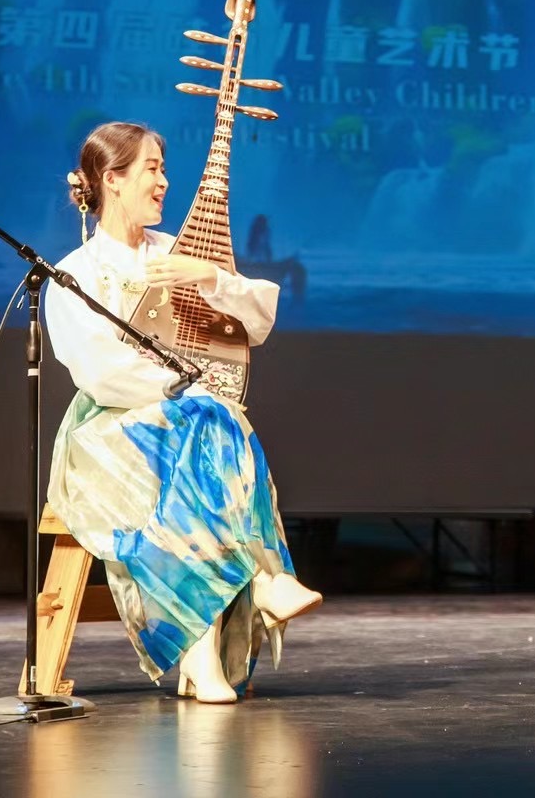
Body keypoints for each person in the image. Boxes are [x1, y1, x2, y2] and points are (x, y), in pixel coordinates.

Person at [43, 121, 322, 704]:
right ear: (112, 179)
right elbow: (98, 371)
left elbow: (255, 323)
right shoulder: (76, 272)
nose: (164, 182)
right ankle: (260, 582)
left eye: (164, 169)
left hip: (189, 421)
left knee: (213, 424)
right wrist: (181, 390)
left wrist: (212, 276)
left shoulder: (177, 253)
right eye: (152, 169)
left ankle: (202, 657)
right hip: (110, 430)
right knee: (210, 422)